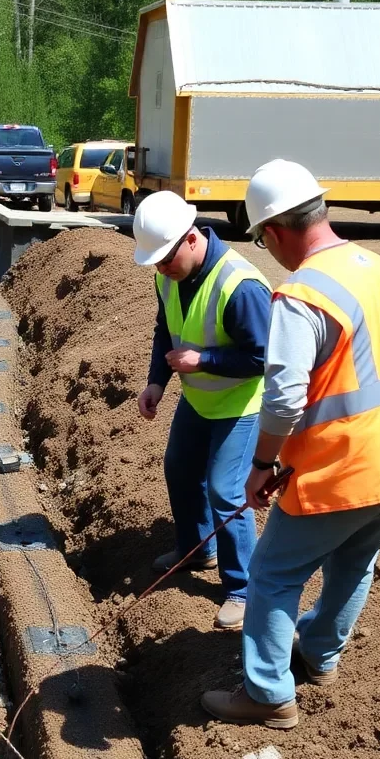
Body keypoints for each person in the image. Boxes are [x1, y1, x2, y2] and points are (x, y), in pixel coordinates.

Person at [201, 160, 380, 729]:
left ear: (278, 231)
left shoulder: (301, 294)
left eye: (264, 239)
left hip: (344, 469)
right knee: (355, 562)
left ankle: (266, 694)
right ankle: (320, 654)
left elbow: (283, 400)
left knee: (272, 573)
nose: (269, 251)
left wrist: (263, 464)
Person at [133, 190, 272, 629]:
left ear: (191, 239)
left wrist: (203, 361)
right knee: (178, 467)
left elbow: (266, 357)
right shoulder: (168, 276)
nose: (161, 269)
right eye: (155, 262)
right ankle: (198, 550)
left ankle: (242, 589)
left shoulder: (241, 287)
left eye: (166, 259)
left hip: (242, 404)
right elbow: (165, 330)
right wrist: (158, 380)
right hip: (199, 399)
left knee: (225, 491)